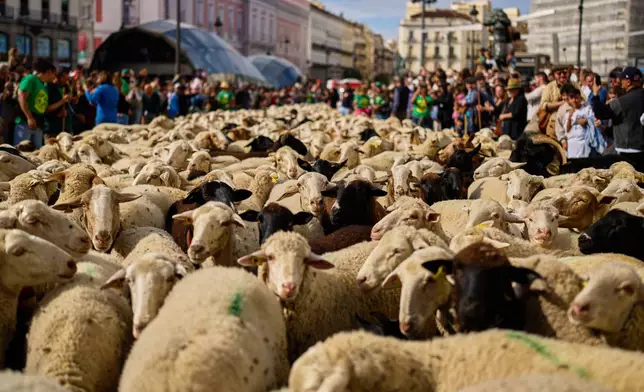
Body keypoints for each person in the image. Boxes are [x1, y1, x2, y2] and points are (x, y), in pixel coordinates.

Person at [591, 66, 644, 167]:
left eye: (622, 79)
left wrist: (595, 94)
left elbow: (601, 113)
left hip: (627, 151)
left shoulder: (623, 101)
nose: (620, 81)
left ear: (628, 82)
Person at [14, 58, 56, 148]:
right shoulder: (31, 79)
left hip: (38, 124)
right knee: (21, 153)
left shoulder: (43, 85)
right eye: (54, 74)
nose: (54, 77)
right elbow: (21, 97)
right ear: (48, 72)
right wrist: (29, 117)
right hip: (25, 123)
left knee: (37, 156)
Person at [565, 87, 605, 158]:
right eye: (572, 98)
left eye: (576, 98)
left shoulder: (587, 109)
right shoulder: (568, 112)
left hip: (584, 143)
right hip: (572, 144)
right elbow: (567, 129)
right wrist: (569, 118)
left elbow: (593, 120)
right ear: (569, 100)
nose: (574, 100)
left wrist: (586, 120)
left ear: (580, 98)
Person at [540, 65, 573, 138]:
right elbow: (544, 105)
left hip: (572, 125)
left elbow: (584, 100)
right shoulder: (549, 87)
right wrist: (562, 103)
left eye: (564, 73)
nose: (562, 75)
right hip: (554, 125)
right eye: (559, 73)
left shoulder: (574, 85)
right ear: (554, 75)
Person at [45, 69, 74, 138]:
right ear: (58, 76)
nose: (67, 79)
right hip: (52, 129)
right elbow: (46, 108)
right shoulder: (48, 87)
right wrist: (62, 102)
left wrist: (72, 100)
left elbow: (68, 103)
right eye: (64, 77)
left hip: (66, 128)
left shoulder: (66, 87)